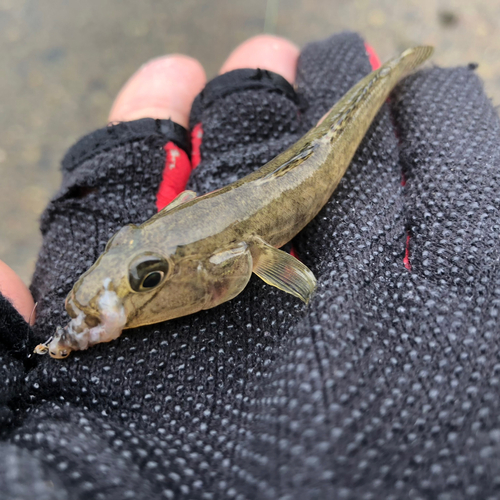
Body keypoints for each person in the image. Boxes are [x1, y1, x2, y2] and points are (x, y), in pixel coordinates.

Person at [0, 32, 499, 499]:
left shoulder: (231, 254)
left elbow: (250, 260)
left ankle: (401, 67)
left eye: (147, 276)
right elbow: (191, 205)